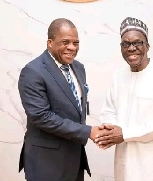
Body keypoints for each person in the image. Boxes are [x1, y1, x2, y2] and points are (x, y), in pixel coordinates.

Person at [18, 18, 106, 181]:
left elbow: (75, 107)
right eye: (65, 42)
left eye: (76, 42)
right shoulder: (32, 72)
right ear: (50, 42)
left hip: (74, 161)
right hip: (46, 164)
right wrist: (88, 131)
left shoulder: (78, 68)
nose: (72, 48)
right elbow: (41, 117)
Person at [94, 17, 153, 181]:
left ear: (147, 46)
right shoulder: (119, 76)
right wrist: (109, 132)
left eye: (137, 43)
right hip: (124, 160)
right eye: (125, 44)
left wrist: (125, 133)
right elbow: (108, 111)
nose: (131, 48)